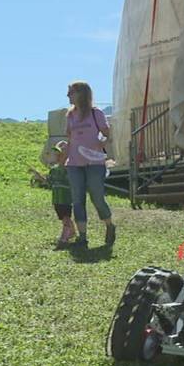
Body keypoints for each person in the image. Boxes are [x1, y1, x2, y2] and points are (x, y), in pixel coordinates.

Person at [64, 81, 115, 248]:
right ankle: (82, 237)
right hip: (74, 164)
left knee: (97, 197)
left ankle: (109, 225)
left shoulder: (96, 113)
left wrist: (102, 142)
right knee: (77, 200)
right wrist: (63, 157)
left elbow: (107, 134)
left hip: (95, 162)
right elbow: (70, 138)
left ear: (82, 94)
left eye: (71, 92)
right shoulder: (70, 115)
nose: (68, 95)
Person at [48, 141, 75, 248]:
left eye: (61, 154)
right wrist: (38, 176)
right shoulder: (53, 170)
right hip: (57, 199)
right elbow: (50, 182)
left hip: (66, 199)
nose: (58, 156)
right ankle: (72, 232)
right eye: (57, 154)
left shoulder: (71, 169)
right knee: (64, 218)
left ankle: (63, 239)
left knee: (66, 219)